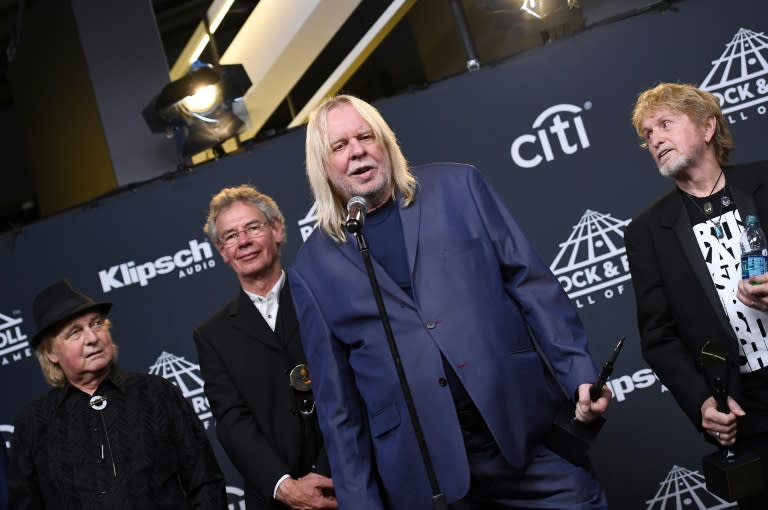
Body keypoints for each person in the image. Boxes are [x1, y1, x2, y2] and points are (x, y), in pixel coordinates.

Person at [288, 94, 611, 509]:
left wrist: (579, 373)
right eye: (340, 146)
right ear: (323, 165)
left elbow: (532, 285)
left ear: (385, 141)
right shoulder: (311, 267)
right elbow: (337, 407)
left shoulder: (459, 187)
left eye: (365, 137)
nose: (357, 151)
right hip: (427, 475)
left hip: (523, 435)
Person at [625, 82, 768, 508]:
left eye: (666, 124)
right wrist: (703, 402)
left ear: (708, 127)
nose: (656, 140)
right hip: (747, 414)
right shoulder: (647, 232)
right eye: (648, 134)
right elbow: (658, 336)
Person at [7, 279, 227, 509]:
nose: (93, 338)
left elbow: (206, 481)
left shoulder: (157, 393)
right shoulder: (33, 424)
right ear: (51, 353)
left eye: (97, 323)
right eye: (75, 332)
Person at [194, 185, 336, 510]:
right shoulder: (211, 336)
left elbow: (355, 386)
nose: (243, 242)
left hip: (351, 480)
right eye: (230, 236)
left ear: (277, 230)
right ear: (222, 251)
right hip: (277, 501)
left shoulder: (324, 296)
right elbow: (232, 422)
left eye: (253, 227)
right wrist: (284, 486)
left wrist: (327, 472)